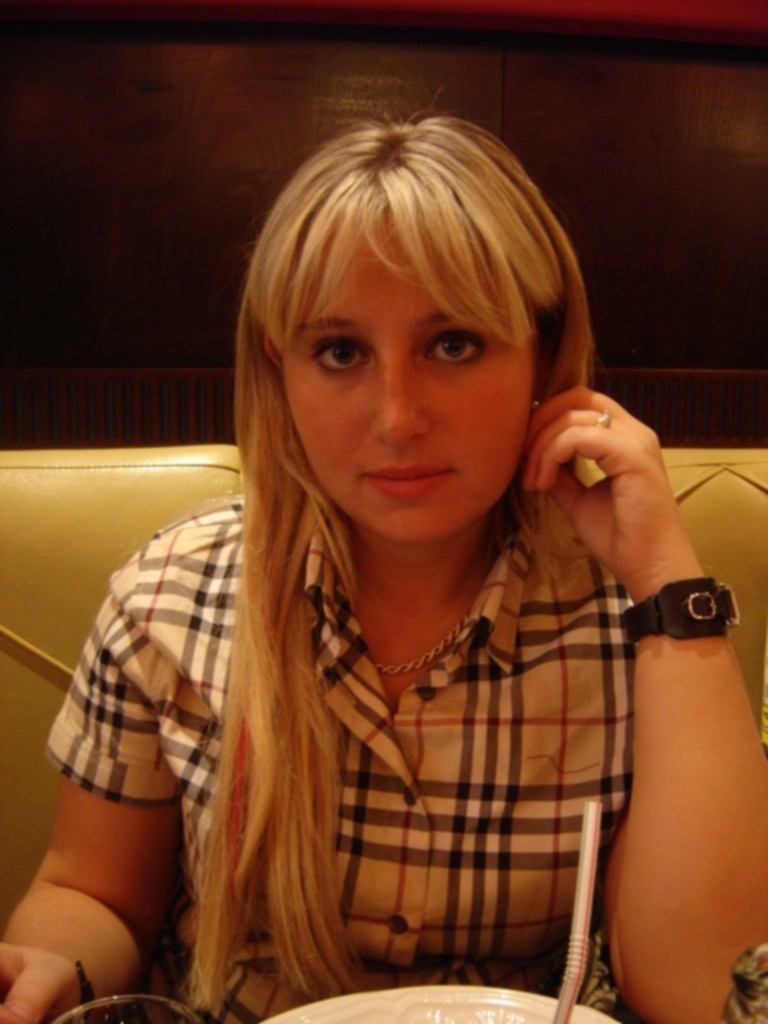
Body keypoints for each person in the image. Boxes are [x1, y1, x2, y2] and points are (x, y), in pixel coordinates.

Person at [1, 115, 766, 1024]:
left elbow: (699, 991)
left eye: (453, 344)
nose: (398, 418)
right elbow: (94, 894)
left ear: (541, 351)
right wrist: (55, 967)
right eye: (340, 352)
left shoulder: (628, 620)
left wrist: (667, 582)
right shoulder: (171, 597)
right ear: (281, 369)